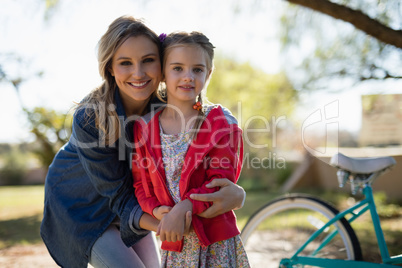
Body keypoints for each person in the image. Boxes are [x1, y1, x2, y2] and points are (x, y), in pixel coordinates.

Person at [40, 16, 246, 268]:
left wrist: (237, 194)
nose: (138, 73)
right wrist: (176, 220)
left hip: (137, 204)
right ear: (110, 69)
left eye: (148, 60)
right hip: (82, 207)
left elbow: (204, 149)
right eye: (125, 63)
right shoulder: (90, 116)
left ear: (162, 65)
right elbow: (118, 196)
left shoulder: (166, 108)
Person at [132, 31, 250, 267]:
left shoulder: (221, 122)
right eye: (177, 68)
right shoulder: (144, 127)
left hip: (216, 242)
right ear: (163, 72)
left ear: (209, 74)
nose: (188, 77)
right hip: (176, 242)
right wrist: (159, 212)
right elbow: (140, 183)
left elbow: (220, 182)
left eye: (197, 69)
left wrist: (184, 208)